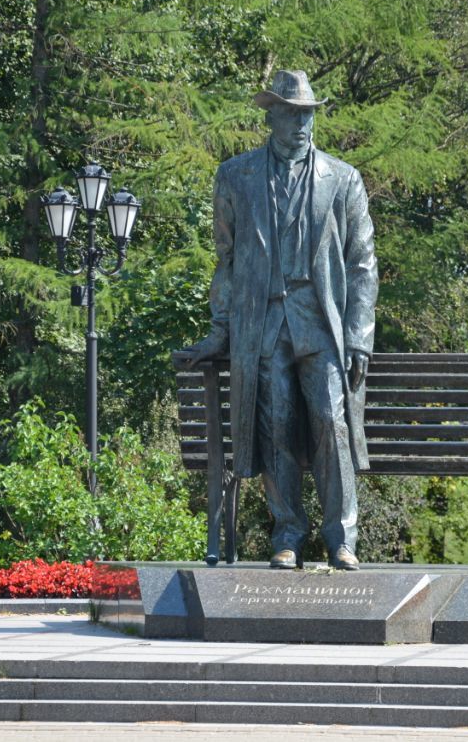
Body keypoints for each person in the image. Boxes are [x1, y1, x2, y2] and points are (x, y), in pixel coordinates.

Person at [176, 69, 378, 571]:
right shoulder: (237, 176)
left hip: (321, 326)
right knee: (276, 427)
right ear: (270, 116)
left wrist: (358, 337)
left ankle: (342, 538)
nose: (301, 124)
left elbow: (363, 264)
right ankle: (287, 532)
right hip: (263, 326)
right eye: (291, 114)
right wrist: (221, 329)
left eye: (307, 114)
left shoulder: (343, 179)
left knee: (331, 423)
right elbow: (226, 261)